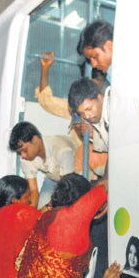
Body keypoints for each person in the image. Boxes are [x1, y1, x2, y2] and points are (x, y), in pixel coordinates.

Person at [35, 51, 109, 180]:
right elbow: (47, 101)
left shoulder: (112, 113)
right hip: (72, 169)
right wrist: (45, 69)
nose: (88, 114)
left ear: (101, 96)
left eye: (100, 87)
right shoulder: (75, 109)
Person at [8, 121, 76, 207]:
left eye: (24, 150)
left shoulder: (63, 150)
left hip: (73, 182)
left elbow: (66, 189)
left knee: (60, 210)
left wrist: (46, 208)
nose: (23, 156)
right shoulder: (26, 157)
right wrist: (32, 214)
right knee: (40, 210)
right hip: (52, 178)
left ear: (35, 140)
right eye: (20, 152)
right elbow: (33, 191)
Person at [68, 78, 109, 155]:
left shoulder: (114, 112)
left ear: (100, 98)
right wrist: (93, 135)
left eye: (89, 109)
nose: (87, 116)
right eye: (82, 113)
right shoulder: (96, 119)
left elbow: (120, 146)